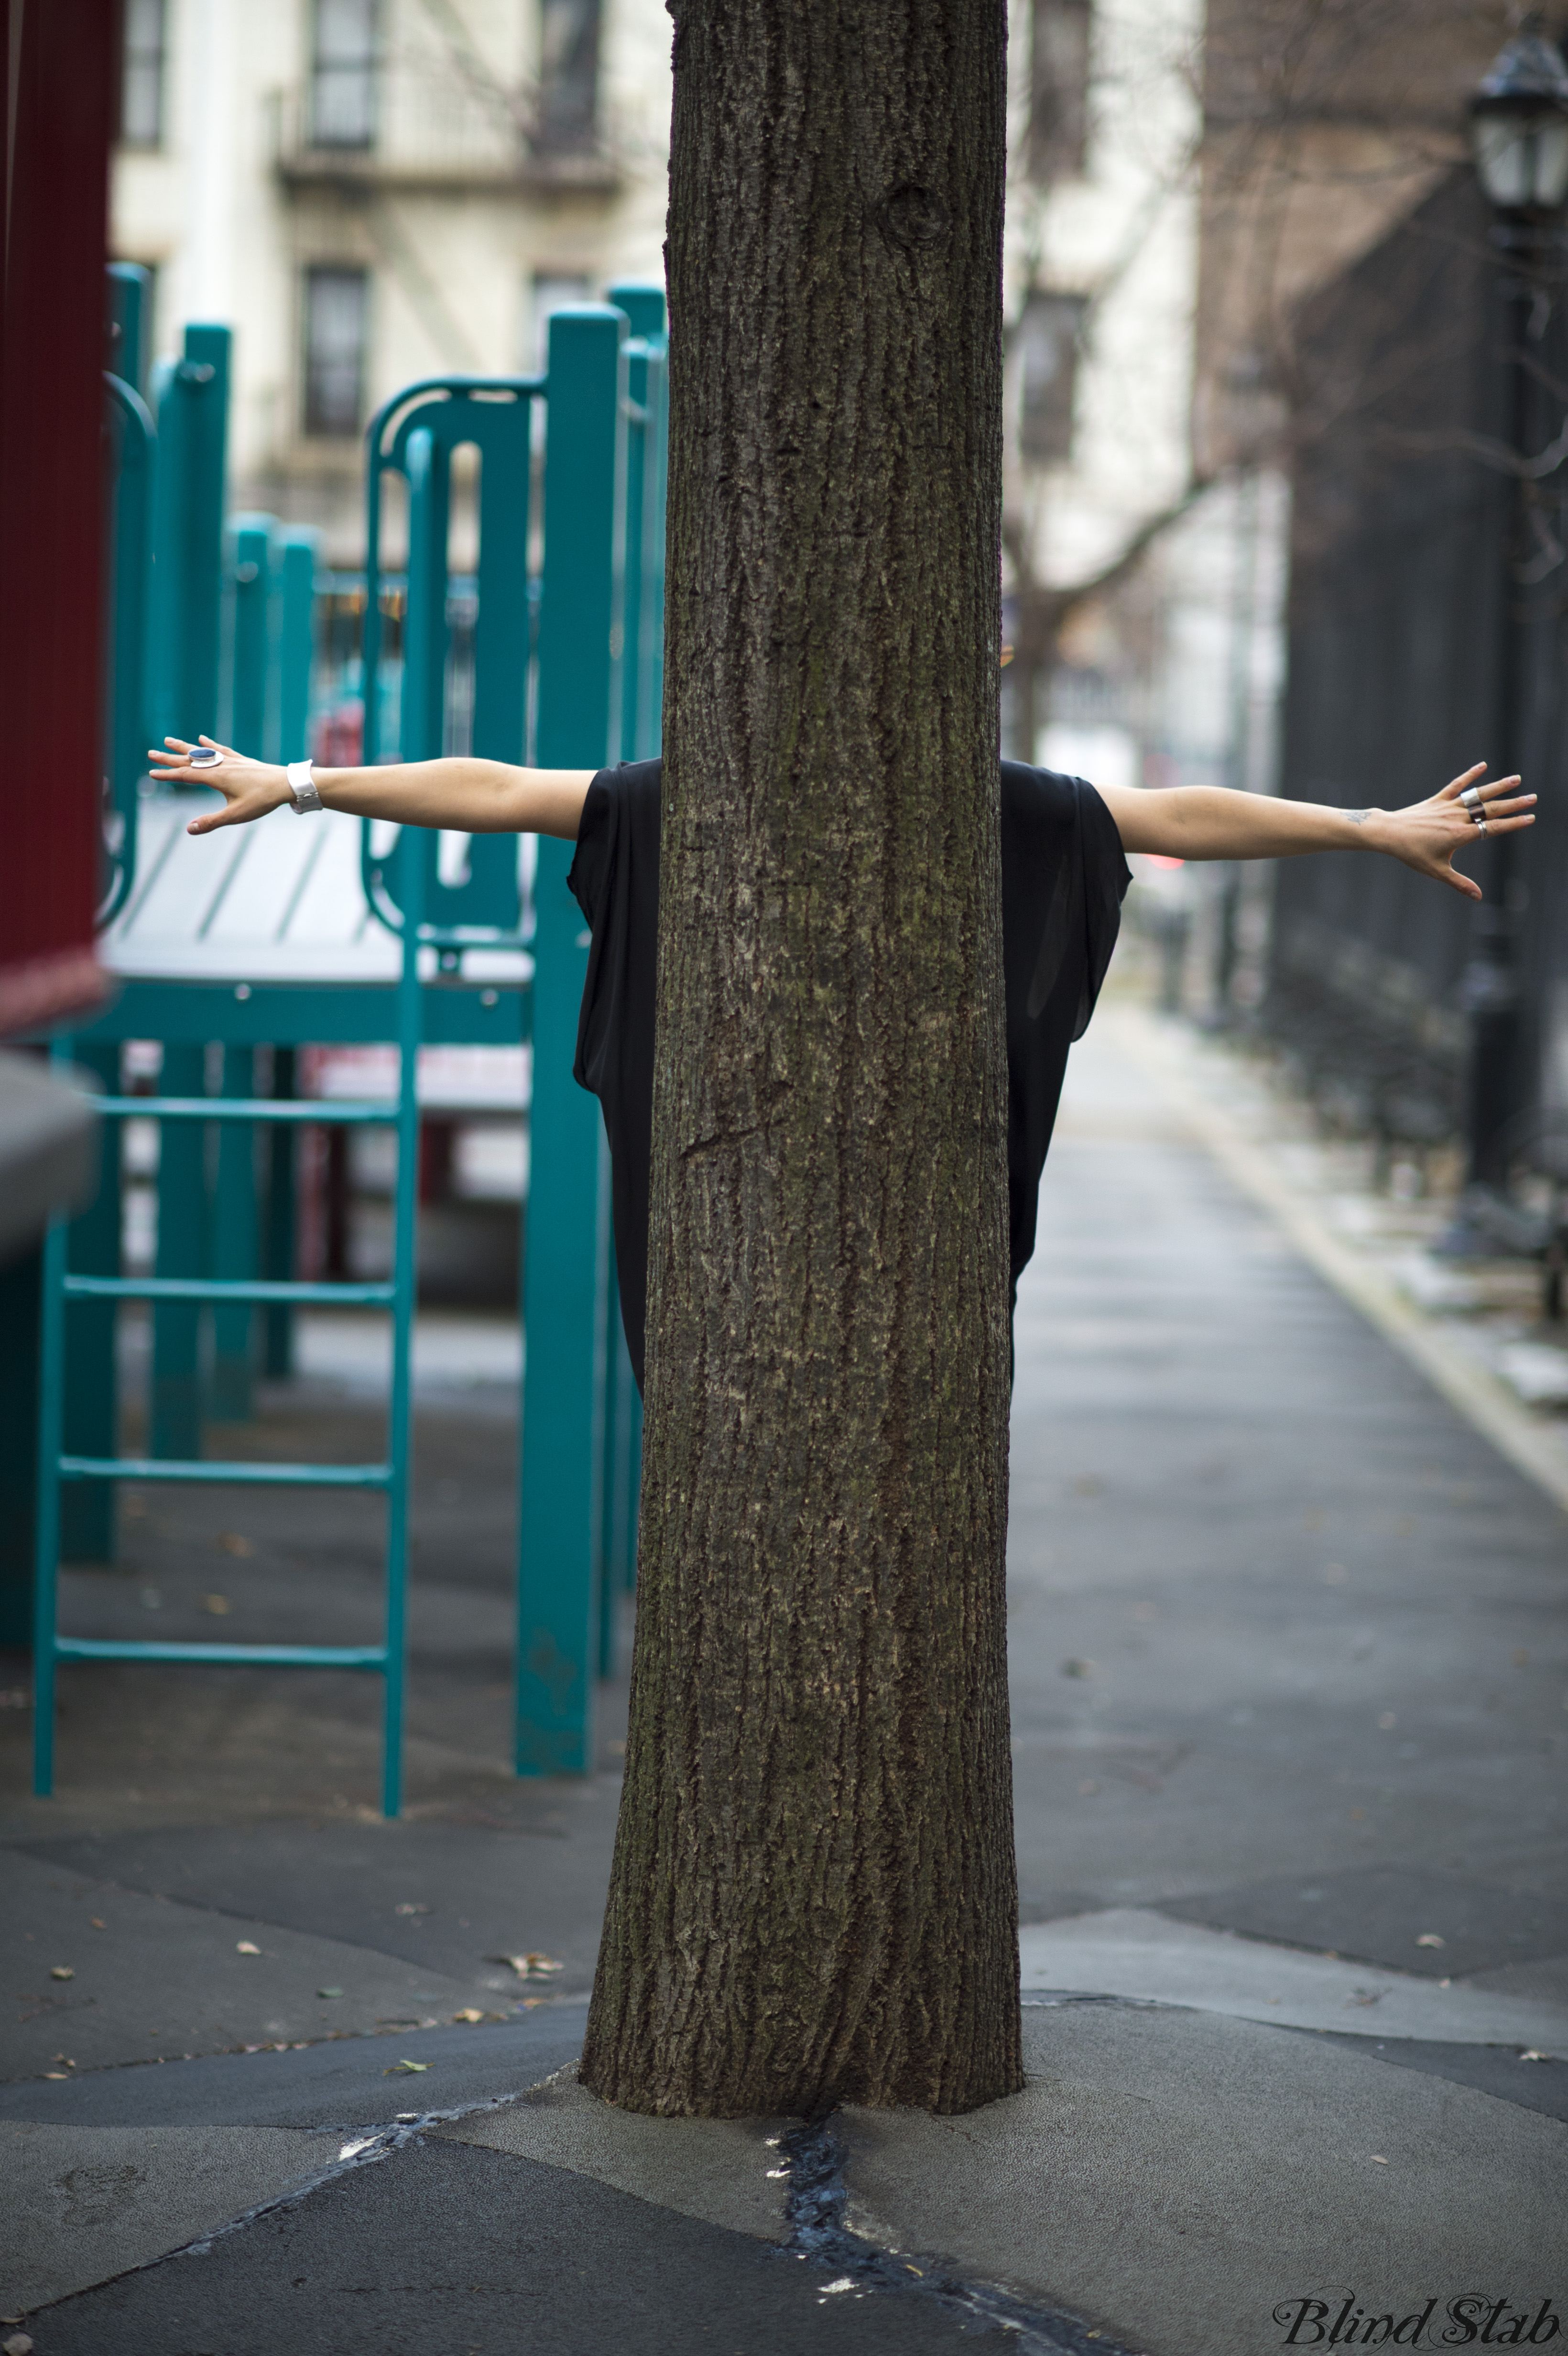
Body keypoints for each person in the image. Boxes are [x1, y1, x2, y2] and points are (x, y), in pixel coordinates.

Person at [155, 734, 1535, 1389]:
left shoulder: (1002, 809)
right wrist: (300, 784)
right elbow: (508, 792)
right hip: (740, 1232)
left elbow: (1174, 810)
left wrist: (1368, 826)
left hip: (889, 1252)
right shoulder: (694, 793)